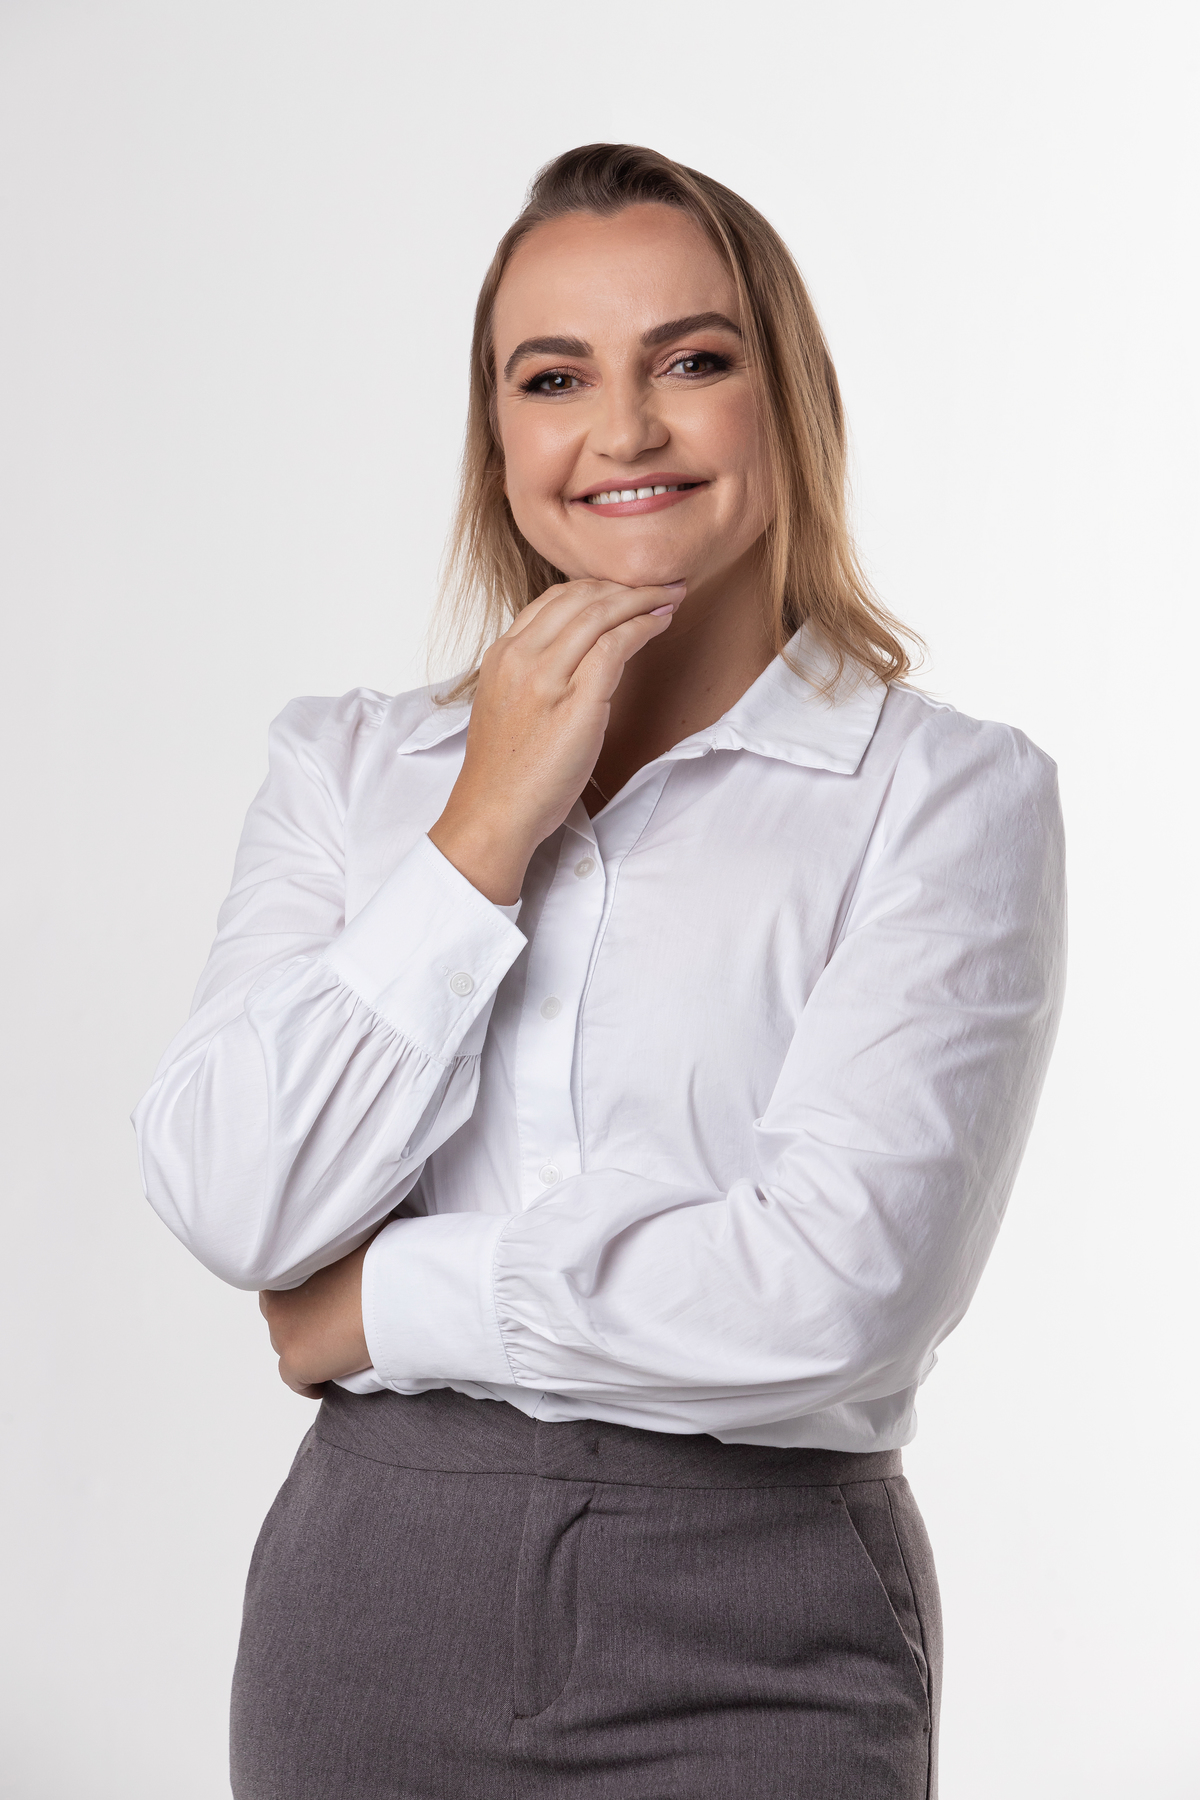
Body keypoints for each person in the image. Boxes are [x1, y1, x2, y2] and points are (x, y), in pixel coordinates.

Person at [133, 143, 1066, 1799]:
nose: (623, 430)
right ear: (498, 440)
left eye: (690, 361)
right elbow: (230, 1192)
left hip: (757, 1617)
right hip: (370, 1601)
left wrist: (382, 1301)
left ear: (789, 403)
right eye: (554, 378)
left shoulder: (942, 797)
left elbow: (835, 1295)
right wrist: (483, 828)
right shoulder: (348, 771)